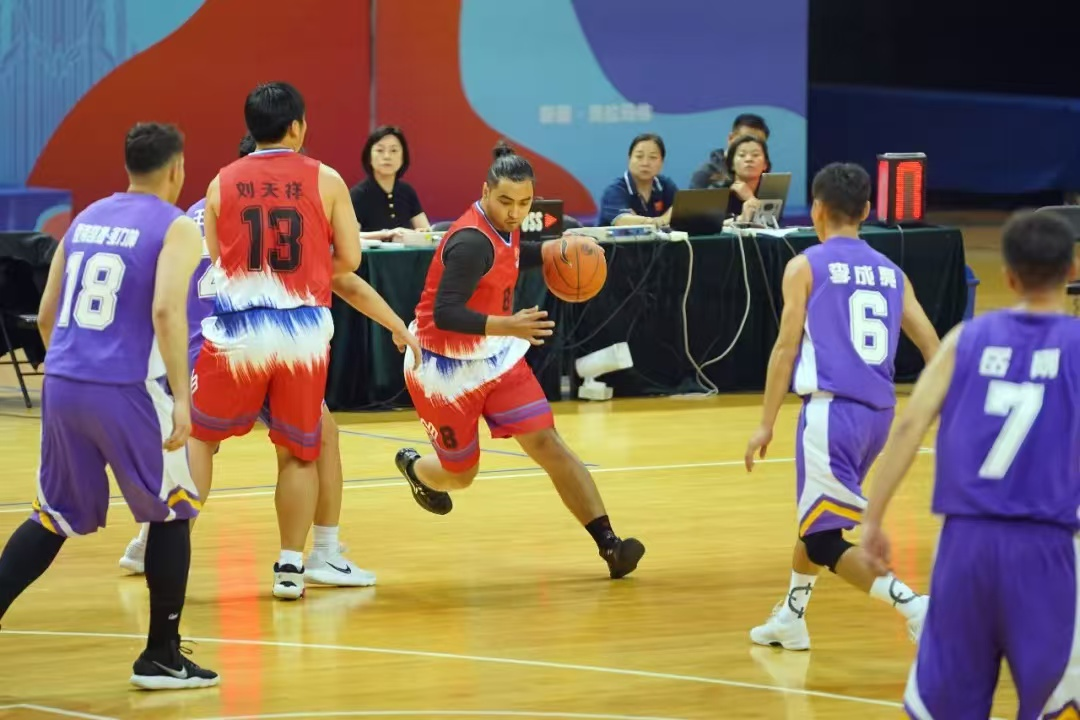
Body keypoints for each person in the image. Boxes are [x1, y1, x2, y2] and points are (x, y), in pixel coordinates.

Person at [120, 134, 421, 589]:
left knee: (199, 444)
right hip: (268, 338)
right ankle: (318, 553)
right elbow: (343, 278)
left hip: (203, 349)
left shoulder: (199, 210)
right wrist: (397, 323)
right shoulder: (293, 203)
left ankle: (152, 542)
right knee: (312, 441)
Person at [0, 122, 218, 689]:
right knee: (174, 509)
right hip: (127, 388)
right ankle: (161, 655)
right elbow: (167, 312)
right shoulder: (176, 226)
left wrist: (73, 364)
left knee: (52, 514)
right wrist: (182, 399)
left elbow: (46, 314)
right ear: (177, 169)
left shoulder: (87, 217)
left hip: (64, 380)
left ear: (128, 166)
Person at [862, 211, 1080, 719]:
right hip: (1048, 546)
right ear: (1072, 269)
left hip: (965, 544)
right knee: (1059, 703)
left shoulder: (965, 339)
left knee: (948, 706)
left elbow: (909, 426)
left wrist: (872, 518)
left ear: (1008, 275)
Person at [394, 142, 646, 579]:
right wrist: (508, 325)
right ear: (485, 192)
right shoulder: (470, 242)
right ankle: (415, 468)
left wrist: (553, 249)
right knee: (461, 475)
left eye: (524, 203)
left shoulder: (505, 226)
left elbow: (510, 254)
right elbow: (446, 312)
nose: (515, 213)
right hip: (443, 369)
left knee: (549, 444)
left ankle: (610, 545)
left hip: (495, 358)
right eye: (505, 201)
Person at [744, 162, 940, 650]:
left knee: (822, 539)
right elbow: (932, 346)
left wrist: (765, 423)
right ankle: (791, 617)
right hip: (879, 416)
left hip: (831, 414)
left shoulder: (805, 266)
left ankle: (916, 607)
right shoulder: (892, 272)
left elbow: (785, 349)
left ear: (816, 209)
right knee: (818, 516)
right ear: (867, 210)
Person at [188, 82, 361, 600]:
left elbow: (217, 259)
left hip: (238, 329)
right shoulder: (326, 179)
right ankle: (290, 566)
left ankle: (168, 543)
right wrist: (307, 271)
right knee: (299, 453)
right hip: (301, 332)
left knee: (199, 439)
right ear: (297, 126)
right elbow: (351, 259)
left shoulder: (220, 182)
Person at [350, 125, 431, 239]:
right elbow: (351, 236)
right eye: (380, 150)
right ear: (369, 157)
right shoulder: (358, 194)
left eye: (394, 150)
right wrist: (387, 234)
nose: (387, 156)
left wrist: (422, 233)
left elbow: (427, 231)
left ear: (403, 157)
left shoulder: (407, 191)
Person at [597, 133, 676, 227]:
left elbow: (681, 209)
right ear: (629, 159)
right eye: (639, 156)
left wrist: (639, 220)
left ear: (662, 163)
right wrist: (662, 220)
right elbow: (622, 221)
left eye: (653, 157)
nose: (645, 163)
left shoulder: (665, 185)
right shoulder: (615, 190)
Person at [689, 113, 770, 189]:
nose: (752, 145)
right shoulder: (705, 174)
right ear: (730, 138)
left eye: (759, 142)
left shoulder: (764, 174)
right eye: (745, 140)